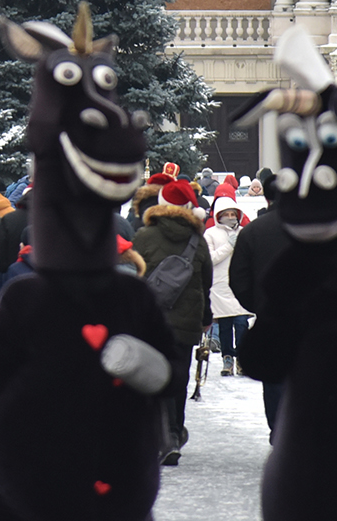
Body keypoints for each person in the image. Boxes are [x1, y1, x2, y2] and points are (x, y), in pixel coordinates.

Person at [134, 178, 213, 465]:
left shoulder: (144, 236)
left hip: (151, 319)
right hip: (187, 319)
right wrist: (205, 317)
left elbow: (133, 276)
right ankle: (175, 433)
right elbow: (206, 283)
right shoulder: (198, 239)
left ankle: (159, 435)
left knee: (152, 376)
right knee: (178, 378)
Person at [229, 170, 291, 438]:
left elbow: (238, 278)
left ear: (266, 197)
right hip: (312, 315)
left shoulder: (253, 231)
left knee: (275, 375)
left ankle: (278, 428)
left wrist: (257, 303)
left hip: (270, 314)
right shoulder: (315, 228)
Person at [204, 196, 247, 375]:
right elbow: (210, 259)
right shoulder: (211, 234)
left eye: (233, 214)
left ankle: (243, 359)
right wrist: (228, 247)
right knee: (225, 325)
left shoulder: (245, 231)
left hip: (241, 283)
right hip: (220, 286)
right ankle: (227, 358)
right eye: (226, 214)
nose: (230, 217)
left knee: (242, 323)